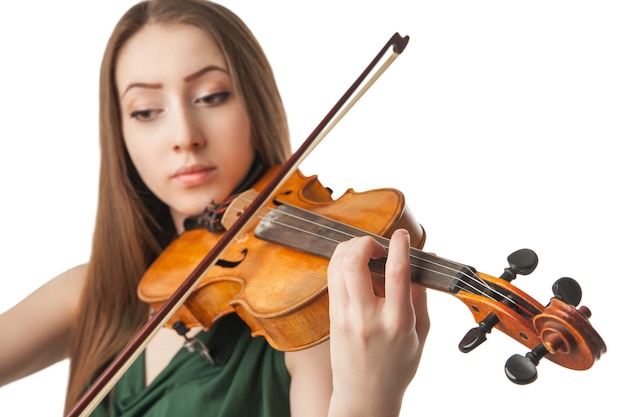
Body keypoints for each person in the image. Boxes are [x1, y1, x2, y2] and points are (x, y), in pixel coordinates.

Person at [0, 0, 429, 415]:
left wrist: (370, 401)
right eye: (147, 111)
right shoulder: (92, 295)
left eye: (211, 96)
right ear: (121, 134)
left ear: (255, 105)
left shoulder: (305, 318)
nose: (185, 136)